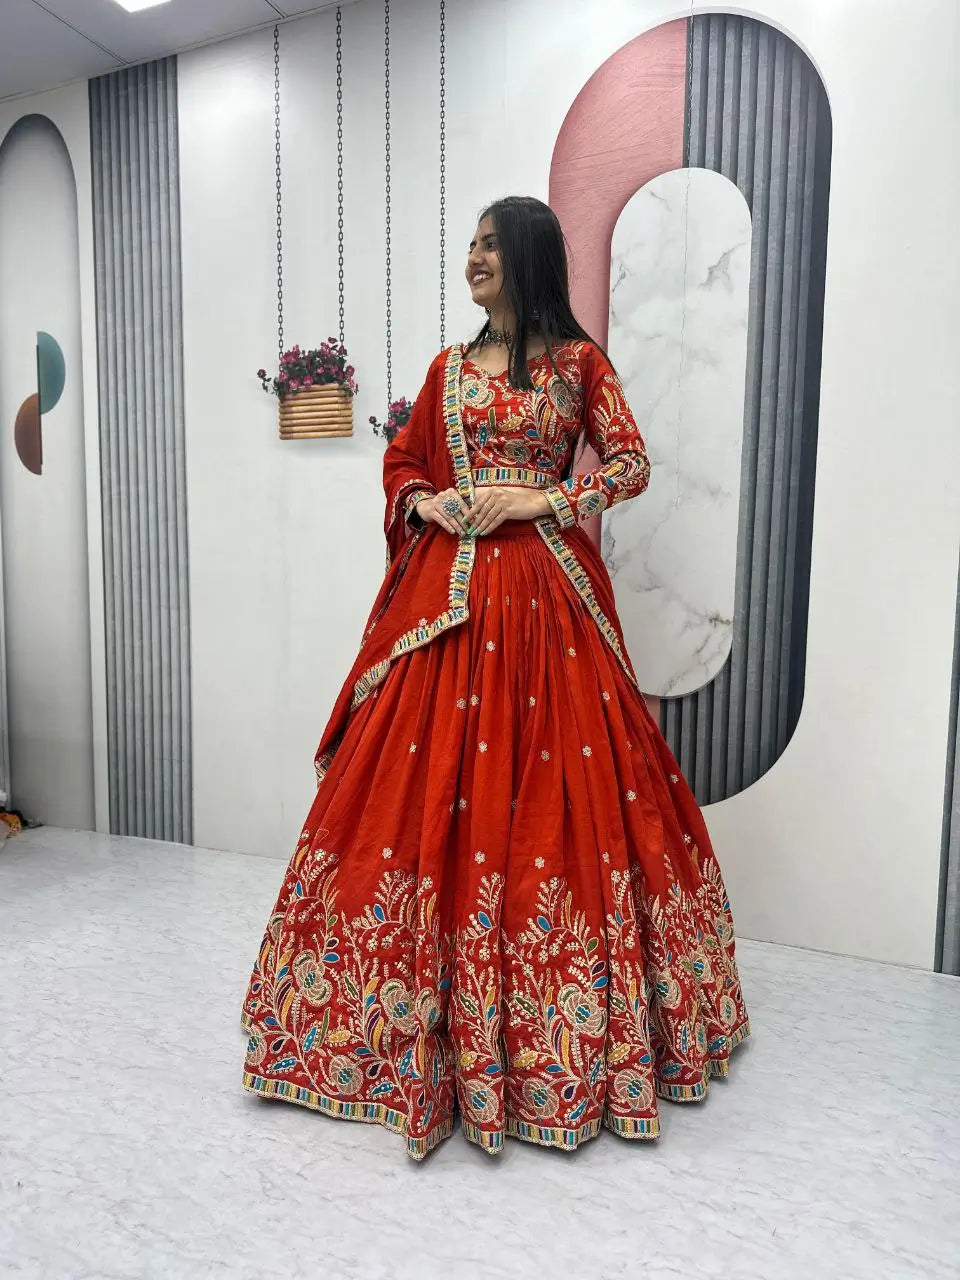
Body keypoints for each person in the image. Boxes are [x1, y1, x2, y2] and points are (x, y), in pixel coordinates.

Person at [241, 195, 749, 1159]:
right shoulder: (447, 368)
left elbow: (631, 464)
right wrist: (424, 500)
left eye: (489, 245)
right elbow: (402, 460)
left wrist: (543, 498)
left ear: (528, 256)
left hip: (550, 602)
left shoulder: (579, 364)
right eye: (469, 244)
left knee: (560, 794)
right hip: (448, 603)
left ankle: (558, 1041)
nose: (473, 258)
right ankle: (385, 1027)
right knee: (419, 787)